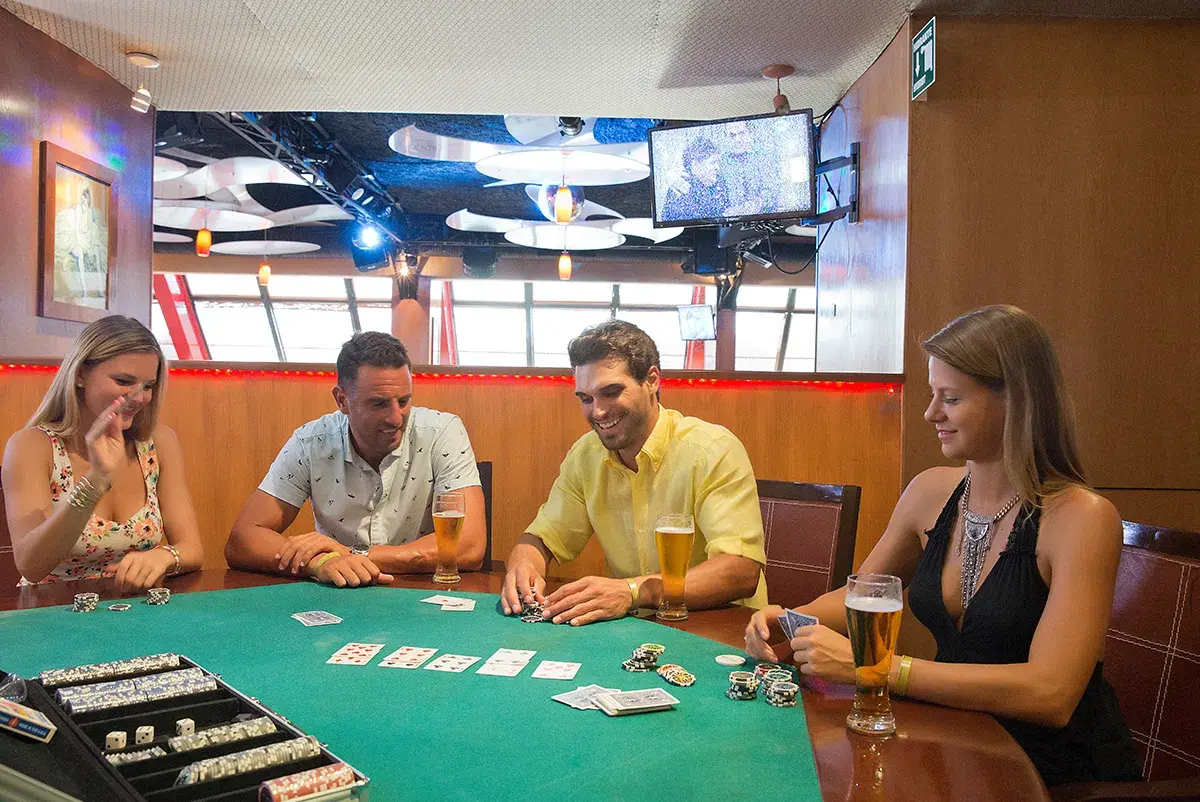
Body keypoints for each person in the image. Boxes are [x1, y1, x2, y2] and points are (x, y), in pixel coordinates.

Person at [745, 305, 1141, 785]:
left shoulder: (1082, 518)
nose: (931, 413)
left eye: (949, 398)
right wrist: (788, 620)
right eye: (933, 394)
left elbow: (1051, 695)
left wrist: (875, 669)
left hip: (1055, 773)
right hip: (957, 741)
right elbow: (860, 597)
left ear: (1015, 401)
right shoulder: (930, 491)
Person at [501, 319, 766, 625]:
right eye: (586, 399)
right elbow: (540, 539)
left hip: (723, 630)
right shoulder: (585, 455)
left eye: (611, 392)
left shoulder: (713, 450)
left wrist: (633, 591)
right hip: (641, 629)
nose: (597, 412)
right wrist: (522, 566)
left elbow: (741, 572)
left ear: (652, 380)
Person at [225, 332, 485, 588]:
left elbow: (468, 546)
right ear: (342, 400)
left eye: (404, 401)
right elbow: (243, 540)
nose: (396, 418)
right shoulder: (310, 442)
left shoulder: (443, 431)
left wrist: (350, 555)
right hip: (340, 593)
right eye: (379, 404)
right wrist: (320, 563)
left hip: (421, 594)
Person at [2, 315, 203, 590]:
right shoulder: (30, 446)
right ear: (81, 374)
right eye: (123, 381)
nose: (140, 397)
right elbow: (32, 566)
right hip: (51, 613)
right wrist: (95, 481)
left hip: (134, 610)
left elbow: (192, 548)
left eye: (148, 386)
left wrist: (165, 556)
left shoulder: (160, 442)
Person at [659, 137, 729, 223]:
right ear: (695, 164)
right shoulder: (681, 188)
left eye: (718, 162)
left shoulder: (718, 181)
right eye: (713, 163)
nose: (717, 167)